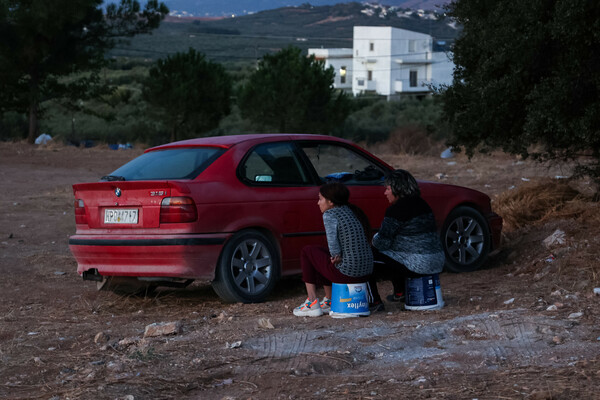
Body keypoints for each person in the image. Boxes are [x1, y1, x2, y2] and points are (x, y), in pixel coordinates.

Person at [367, 169, 445, 311]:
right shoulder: (423, 205)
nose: (385, 193)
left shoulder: (396, 210)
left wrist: (375, 237)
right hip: (437, 260)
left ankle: (374, 301)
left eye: (388, 189)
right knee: (396, 254)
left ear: (398, 189)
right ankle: (400, 292)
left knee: (366, 258)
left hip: (417, 265)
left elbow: (381, 242)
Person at [294, 182, 373, 317]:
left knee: (307, 252)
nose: (318, 203)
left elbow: (333, 246)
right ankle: (330, 300)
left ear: (330, 202)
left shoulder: (330, 214)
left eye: (320, 199)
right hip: (366, 271)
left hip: (348, 273)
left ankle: (312, 302)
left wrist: (335, 256)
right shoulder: (351, 210)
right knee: (320, 254)